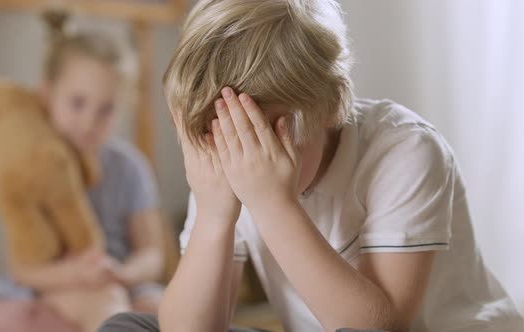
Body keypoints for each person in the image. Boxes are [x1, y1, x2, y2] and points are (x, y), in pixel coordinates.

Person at [99, 0, 524, 331]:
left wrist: (272, 204)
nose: (237, 159)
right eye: (219, 137)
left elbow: (381, 326)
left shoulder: (405, 150)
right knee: (130, 325)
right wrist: (213, 216)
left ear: (326, 109)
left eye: (255, 137)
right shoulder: (224, 163)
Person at [0, 12, 165, 332]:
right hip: (52, 283)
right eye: (77, 103)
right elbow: (22, 269)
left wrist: (123, 273)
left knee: (165, 308)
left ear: (124, 105)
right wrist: (75, 276)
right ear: (47, 95)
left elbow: (152, 253)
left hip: (117, 277)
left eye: (106, 109)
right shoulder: (30, 163)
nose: (89, 122)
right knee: (109, 306)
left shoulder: (129, 166)